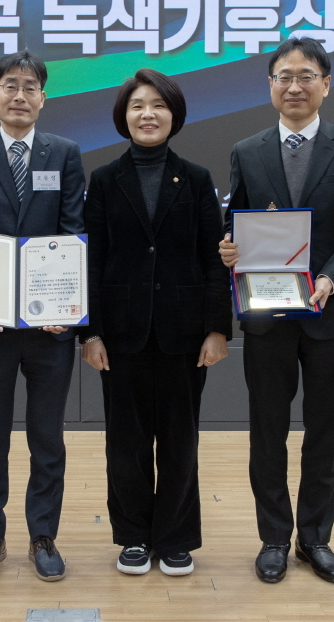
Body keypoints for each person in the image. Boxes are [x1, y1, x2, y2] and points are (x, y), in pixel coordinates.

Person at [219, 37, 334, 584]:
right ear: (270, 86)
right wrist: (228, 247)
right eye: (284, 77)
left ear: (326, 84)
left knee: (324, 430)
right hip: (267, 315)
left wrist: (332, 278)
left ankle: (315, 539)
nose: (294, 86)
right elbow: (236, 222)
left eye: (306, 76)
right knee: (267, 430)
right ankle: (273, 537)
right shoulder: (247, 151)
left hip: (330, 315)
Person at [81, 68, 232, 577]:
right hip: (120, 334)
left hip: (184, 334)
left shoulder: (196, 178)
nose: (148, 114)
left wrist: (217, 328)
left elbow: (213, 259)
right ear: (124, 117)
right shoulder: (104, 180)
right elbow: (91, 260)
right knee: (125, 442)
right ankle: (132, 536)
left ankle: (175, 538)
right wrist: (90, 332)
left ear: (174, 115)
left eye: (159, 105)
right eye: (138, 106)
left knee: (179, 440)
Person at [0, 50, 86, 582]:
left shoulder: (64, 153)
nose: (20, 95)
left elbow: (72, 230)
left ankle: (43, 536)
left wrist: (67, 306)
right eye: (10, 85)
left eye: (30, 87)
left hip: (50, 328)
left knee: (48, 438)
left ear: (43, 98)